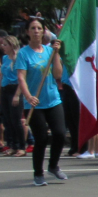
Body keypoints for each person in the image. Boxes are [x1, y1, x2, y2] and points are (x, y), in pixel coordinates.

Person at [16, 18, 67, 185]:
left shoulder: (49, 51)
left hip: (52, 99)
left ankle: (53, 166)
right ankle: (38, 173)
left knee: (60, 134)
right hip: (34, 103)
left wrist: (56, 54)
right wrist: (28, 96)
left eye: (39, 28)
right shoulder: (23, 53)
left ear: (43, 31)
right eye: (33, 28)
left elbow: (58, 75)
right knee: (41, 138)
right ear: (27, 32)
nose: (36, 31)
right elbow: (21, 78)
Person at [0, 35, 26, 157]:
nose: (3, 47)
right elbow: (2, 76)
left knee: (16, 120)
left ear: (12, 45)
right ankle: (12, 145)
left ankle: (21, 146)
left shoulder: (18, 58)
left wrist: (17, 94)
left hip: (15, 88)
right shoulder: (4, 58)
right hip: (5, 88)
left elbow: (22, 78)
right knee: (7, 120)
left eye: (5, 45)